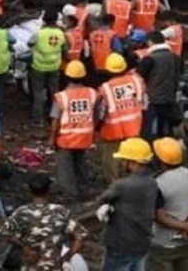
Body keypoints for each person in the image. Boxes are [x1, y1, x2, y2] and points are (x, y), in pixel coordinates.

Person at [0, 174, 88, 271]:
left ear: (29, 190)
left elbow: (3, 232)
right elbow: (80, 235)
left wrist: (25, 248)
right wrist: (69, 255)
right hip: (55, 266)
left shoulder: (22, 212)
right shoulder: (61, 211)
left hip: (30, 266)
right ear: (49, 190)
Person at [96, 138, 158, 271]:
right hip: (142, 241)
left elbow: (102, 199)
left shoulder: (122, 185)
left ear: (134, 163)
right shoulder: (152, 182)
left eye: (124, 160)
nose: (121, 163)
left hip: (121, 243)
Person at [150, 138, 188, 271]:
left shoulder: (158, 183)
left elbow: (161, 217)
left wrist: (185, 226)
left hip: (162, 241)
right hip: (186, 241)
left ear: (160, 160)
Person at [50, 61, 98, 199]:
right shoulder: (92, 93)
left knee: (65, 166)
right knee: (80, 162)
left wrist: (52, 139)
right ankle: (84, 188)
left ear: (66, 76)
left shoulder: (62, 96)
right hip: (85, 136)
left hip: (66, 138)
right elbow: (95, 114)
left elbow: (55, 120)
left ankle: (69, 193)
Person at [97, 53, 148, 183]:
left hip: (113, 130)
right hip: (135, 126)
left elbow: (101, 113)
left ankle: (115, 183)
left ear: (108, 69)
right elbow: (145, 103)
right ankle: (134, 179)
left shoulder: (106, 88)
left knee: (112, 158)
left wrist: (97, 127)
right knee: (134, 155)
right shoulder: (137, 80)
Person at [138, 31, 183, 140]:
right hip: (170, 97)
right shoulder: (175, 57)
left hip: (153, 99)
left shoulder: (149, 59)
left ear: (150, 42)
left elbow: (138, 76)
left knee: (151, 128)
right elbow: (180, 73)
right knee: (166, 126)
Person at [28, 11, 69, 124]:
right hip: (54, 66)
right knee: (54, 92)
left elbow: (29, 44)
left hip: (38, 66)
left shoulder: (39, 33)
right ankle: (54, 116)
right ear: (56, 20)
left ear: (44, 20)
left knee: (38, 93)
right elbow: (65, 50)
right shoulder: (61, 34)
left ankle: (37, 119)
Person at [88, 15, 124, 85]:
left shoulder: (92, 34)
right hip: (108, 67)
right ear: (112, 23)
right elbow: (119, 51)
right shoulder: (112, 34)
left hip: (94, 66)